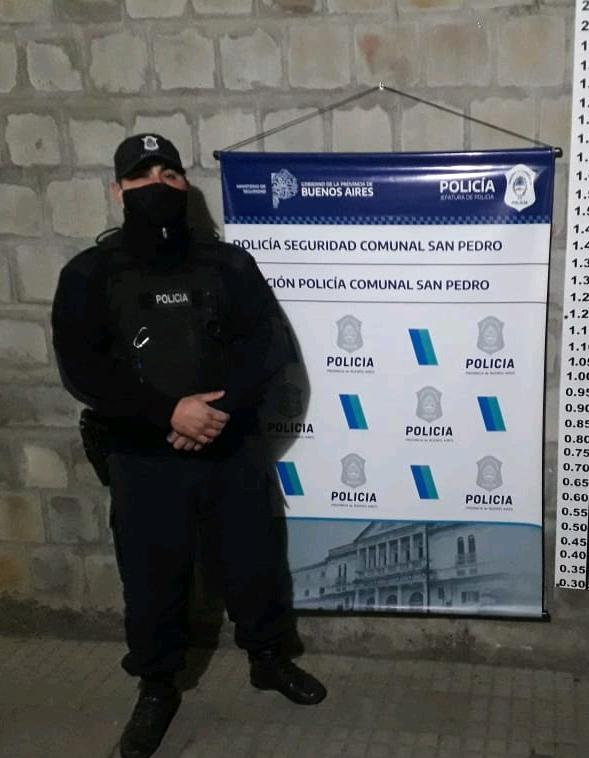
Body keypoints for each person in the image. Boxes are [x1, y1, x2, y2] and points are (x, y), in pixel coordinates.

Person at [52, 134, 326, 758]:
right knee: (152, 580)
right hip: (143, 456)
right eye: (142, 175)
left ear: (185, 184)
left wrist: (216, 413)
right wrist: (168, 412)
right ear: (117, 190)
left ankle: (268, 659)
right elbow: (82, 369)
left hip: (229, 446)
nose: (158, 184)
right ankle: (157, 687)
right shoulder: (89, 273)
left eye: (170, 173)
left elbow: (269, 348)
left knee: (254, 563)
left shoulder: (228, 265)